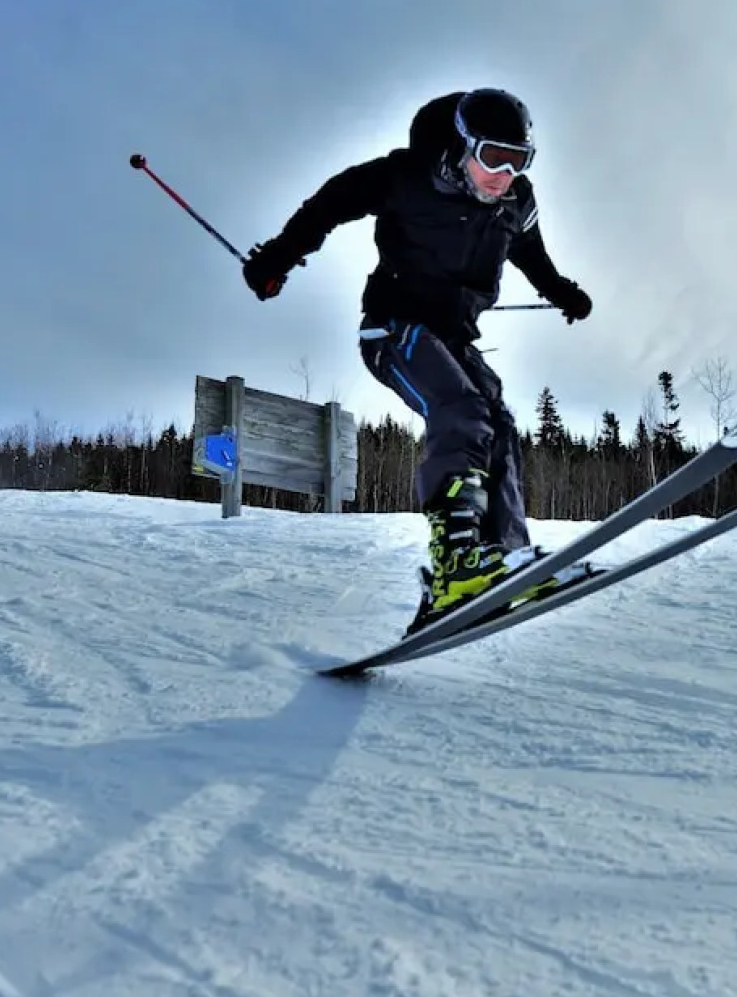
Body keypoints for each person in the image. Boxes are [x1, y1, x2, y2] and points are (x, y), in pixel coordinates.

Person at [240, 87, 598, 635]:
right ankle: (455, 563)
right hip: (394, 328)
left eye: (517, 160)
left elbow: (533, 258)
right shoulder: (407, 176)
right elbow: (330, 204)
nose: (503, 173)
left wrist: (564, 292)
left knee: (498, 424)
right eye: (492, 156)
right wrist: (279, 257)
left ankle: (502, 558)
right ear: (463, 146)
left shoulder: (515, 205)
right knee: (461, 410)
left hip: (454, 338)